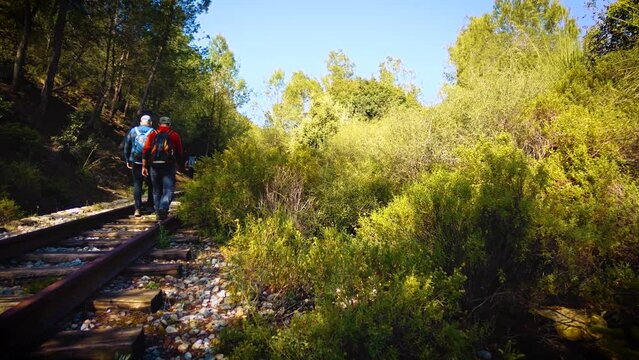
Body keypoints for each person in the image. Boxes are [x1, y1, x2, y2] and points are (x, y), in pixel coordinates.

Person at [141, 116, 183, 220]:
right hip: (168, 165)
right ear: (169, 124)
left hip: (154, 165)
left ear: (159, 124)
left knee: (156, 189)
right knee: (168, 189)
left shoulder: (152, 134)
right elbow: (179, 152)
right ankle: (163, 208)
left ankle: (158, 212)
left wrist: (144, 166)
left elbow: (145, 150)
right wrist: (179, 165)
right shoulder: (174, 135)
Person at [123, 114, 154, 217]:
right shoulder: (153, 132)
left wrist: (127, 159)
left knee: (137, 184)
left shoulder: (133, 131)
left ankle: (137, 209)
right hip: (149, 163)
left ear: (141, 122)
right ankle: (150, 206)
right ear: (150, 123)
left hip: (136, 161)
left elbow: (127, 145)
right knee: (151, 184)